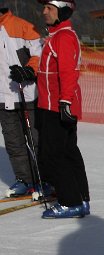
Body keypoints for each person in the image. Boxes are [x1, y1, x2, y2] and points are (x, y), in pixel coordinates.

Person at [35, 0, 89, 218]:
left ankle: (70, 202)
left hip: (56, 106)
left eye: (49, 8)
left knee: (54, 154)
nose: (44, 12)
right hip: (53, 103)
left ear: (62, 11)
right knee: (68, 152)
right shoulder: (57, 36)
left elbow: (69, 72)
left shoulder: (63, 37)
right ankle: (81, 199)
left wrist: (65, 102)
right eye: (44, 7)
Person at [1, 7, 41, 198]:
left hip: (26, 93)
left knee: (36, 139)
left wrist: (29, 70)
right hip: (2, 98)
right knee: (13, 143)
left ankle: (45, 180)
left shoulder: (21, 26)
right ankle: (24, 180)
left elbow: (39, 54)